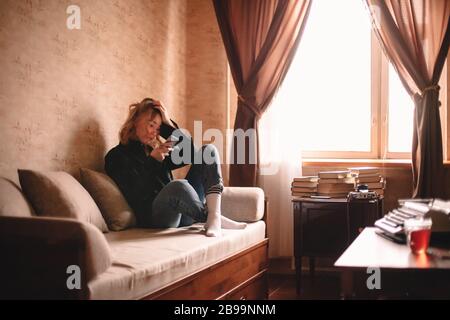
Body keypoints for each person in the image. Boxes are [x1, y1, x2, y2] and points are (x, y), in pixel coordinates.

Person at [105, 98, 246, 237]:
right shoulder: (116, 156)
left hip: (183, 211)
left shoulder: (153, 149)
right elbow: (136, 192)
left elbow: (191, 154)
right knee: (177, 186)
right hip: (158, 217)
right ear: (135, 120)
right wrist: (153, 161)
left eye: (158, 128)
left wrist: (168, 123)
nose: (154, 132)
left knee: (208, 151)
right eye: (151, 125)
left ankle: (214, 215)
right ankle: (210, 217)